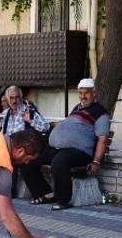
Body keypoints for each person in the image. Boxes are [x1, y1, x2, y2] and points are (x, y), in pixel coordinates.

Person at [21, 78, 110, 209]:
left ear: (94, 93)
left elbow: (102, 139)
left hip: (80, 151)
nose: (82, 96)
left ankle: (63, 201)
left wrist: (96, 162)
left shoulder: (100, 113)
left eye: (86, 93)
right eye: (80, 93)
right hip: (59, 148)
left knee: (59, 162)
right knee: (28, 159)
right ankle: (45, 193)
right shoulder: (77, 108)